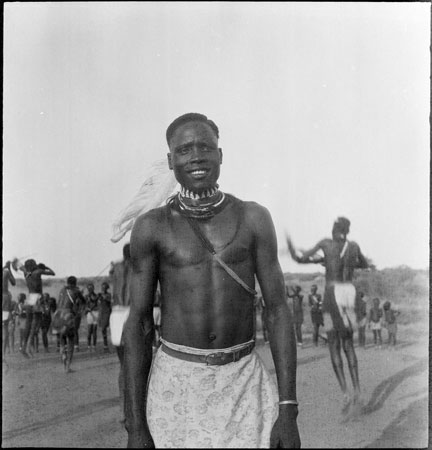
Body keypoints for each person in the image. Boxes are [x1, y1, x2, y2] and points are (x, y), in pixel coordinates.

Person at [122, 113, 300, 448]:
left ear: (220, 154)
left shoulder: (254, 218)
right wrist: (135, 427)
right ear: (171, 160)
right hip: (176, 384)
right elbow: (140, 323)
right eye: (185, 149)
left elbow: (277, 311)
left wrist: (288, 409)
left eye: (205, 147)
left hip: (244, 382)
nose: (197, 156)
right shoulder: (152, 226)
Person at [287, 216, 369, 413]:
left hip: (332, 296)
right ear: (347, 231)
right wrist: (338, 263)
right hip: (349, 293)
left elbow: (299, 258)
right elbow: (363, 263)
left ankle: (345, 393)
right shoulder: (354, 246)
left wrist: (290, 245)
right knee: (349, 344)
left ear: (333, 229)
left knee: (334, 344)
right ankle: (357, 389)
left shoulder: (326, 243)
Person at [109, 243, 133, 423]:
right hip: (131, 313)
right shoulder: (139, 266)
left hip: (115, 314)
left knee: (123, 366)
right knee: (136, 366)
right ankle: (133, 412)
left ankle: (123, 412)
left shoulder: (116, 267)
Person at [16, 259, 55, 357]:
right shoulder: (38, 272)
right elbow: (52, 273)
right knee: (36, 324)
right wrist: (45, 267)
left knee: (28, 325)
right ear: (33, 265)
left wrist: (16, 261)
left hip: (30, 298)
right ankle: (29, 347)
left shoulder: (26, 273)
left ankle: (23, 347)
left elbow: (19, 265)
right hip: (37, 298)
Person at [52, 276, 85, 373]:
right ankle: (68, 367)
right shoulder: (76, 291)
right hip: (67, 314)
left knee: (62, 338)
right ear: (75, 283)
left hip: (57, 314)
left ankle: (63, 354)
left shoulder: (62, 290)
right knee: (71, 339)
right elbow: (83, 302)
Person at [2, 261, 16, 360]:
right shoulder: (6, 272)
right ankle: (3, 352)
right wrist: (9, 269)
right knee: (5, 326)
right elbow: (13, 282)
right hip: (4, 298)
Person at [85, 283, 100, 352]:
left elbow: (94, 299)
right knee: (89, 331)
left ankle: (94, 346)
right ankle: (88, 346)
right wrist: (87, 308)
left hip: (95, 313)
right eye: (89, 288)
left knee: (94, 330)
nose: (90, 289)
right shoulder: (86, 296)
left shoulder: (96, 295)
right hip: (89, 314)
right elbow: (84, 304)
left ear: (93, 289)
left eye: (91, 288)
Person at [99, 282, 112, 352]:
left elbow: (108, 300)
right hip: (101, 313)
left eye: (104, 287)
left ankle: (106, 345)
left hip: (107, 313)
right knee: (103, 330)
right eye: (102, 287)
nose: (103, 288)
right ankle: (105, 346)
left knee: (104, 328)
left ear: (106, 288)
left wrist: (103, 296)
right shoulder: (100, 295)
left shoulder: (108, 295)